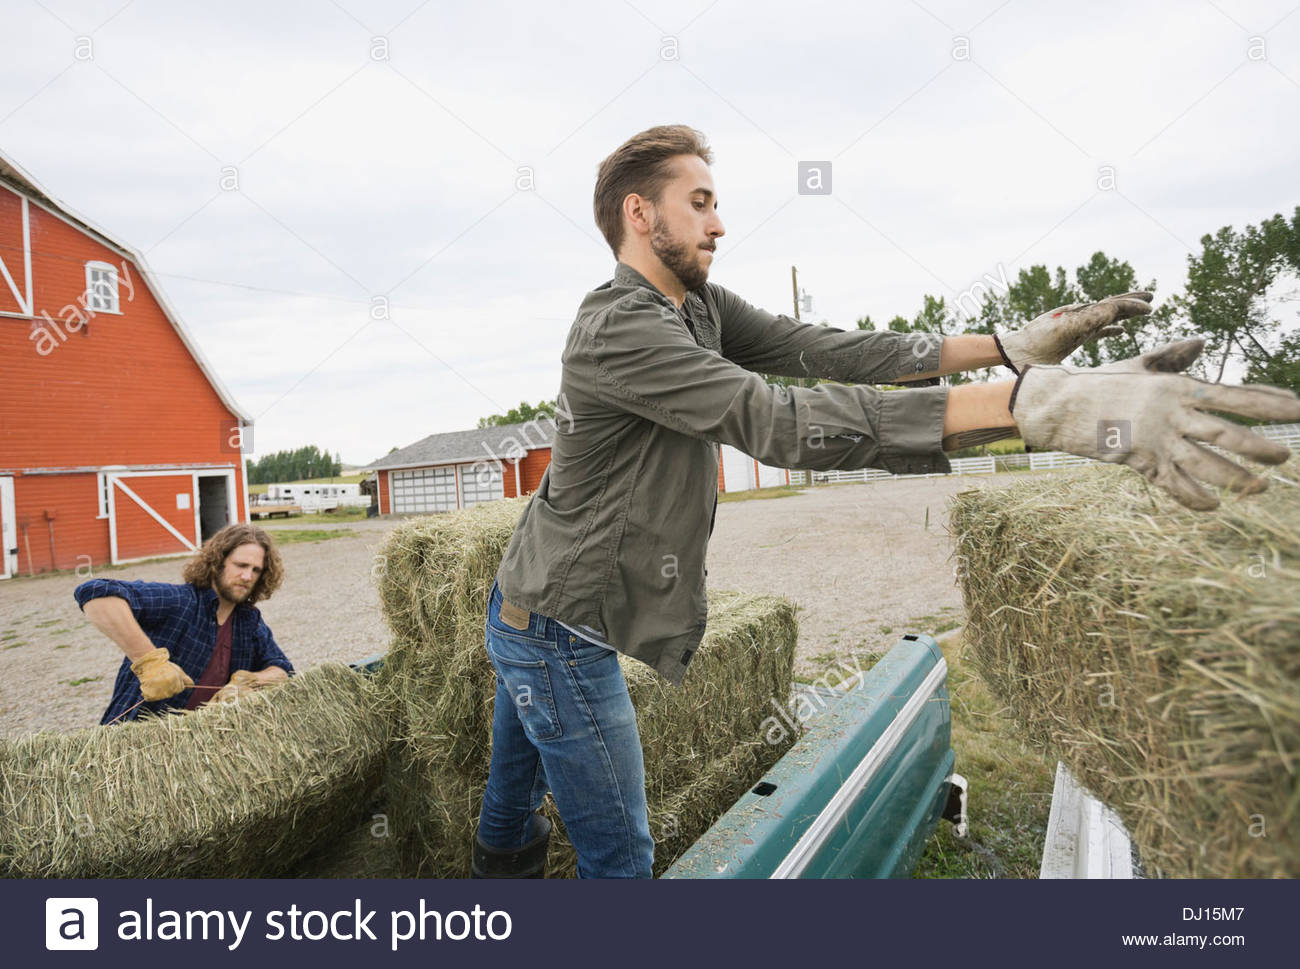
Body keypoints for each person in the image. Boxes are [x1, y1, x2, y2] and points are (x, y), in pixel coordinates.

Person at [473, 125, 1300, 879]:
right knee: (621, 859)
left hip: (529, 598)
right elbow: (778, 420)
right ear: (638, 213)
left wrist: (1008, 347)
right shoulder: (620, 327)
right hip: (559, 629)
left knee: (508, 818)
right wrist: (1039, 407)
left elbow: (839, 351)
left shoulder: (699, 311)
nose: (720, 224)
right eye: (700, 204)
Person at [76, 522, 293, 724]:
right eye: (241, 565)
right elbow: (95, 592)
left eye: (256, 570)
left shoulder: (249, 621)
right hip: (135, 747)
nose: (247, 576)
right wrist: (149, 662)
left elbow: (283, 670)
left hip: (201, 750)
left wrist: (252, 681)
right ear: (217, 563)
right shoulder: (181, 601)